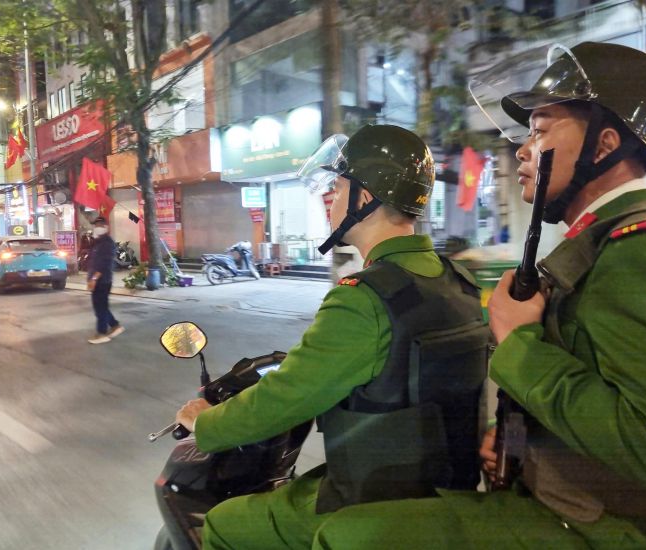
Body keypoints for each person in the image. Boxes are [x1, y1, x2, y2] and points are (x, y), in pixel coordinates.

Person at [308, 42, 646, 549]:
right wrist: (521, 445)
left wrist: (520, 343)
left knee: (348, 537)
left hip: (624, 531)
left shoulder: (645, 253)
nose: (523, 149)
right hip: (591, 512)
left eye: (542, 130)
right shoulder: (603, 245)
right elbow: (603, 386)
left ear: (605, 144)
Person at [175, 124, 489, 549]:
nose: (330, 201)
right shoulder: (460, 283)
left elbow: (285, 396)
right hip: (447, 492)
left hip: (373, 504)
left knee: (225, 523)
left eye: (338, 189)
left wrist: (205, 422)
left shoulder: (363, 299)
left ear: (364, 198)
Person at [86, 216, 124, 344]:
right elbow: (94, 262)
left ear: (106, 227)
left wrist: (94, 279)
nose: (97, 227)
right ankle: (115, 325)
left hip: (102, 280)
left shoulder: (107, 243)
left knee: (100, 307)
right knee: (101, 307)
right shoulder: (97, 242)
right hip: (96, 279)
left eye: (100, 225)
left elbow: (104, 264)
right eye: (96, 225)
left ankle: (101, 333)